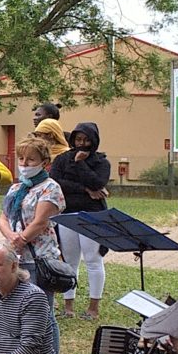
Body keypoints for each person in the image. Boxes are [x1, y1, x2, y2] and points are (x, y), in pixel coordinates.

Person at [51, 121, 111, 320]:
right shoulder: (62, 159)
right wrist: (84, 189)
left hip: (92, 215)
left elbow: (98, 182)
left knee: (93, 260)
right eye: (78, 139)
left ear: (94, 141)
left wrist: (80, 163)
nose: (82, 144)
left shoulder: (102, 162)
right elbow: (56, 182)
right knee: (69, 261)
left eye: (86, 140)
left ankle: (93, 307)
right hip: (67, 214)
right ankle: (68, 306)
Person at [0, 138, 66, 290]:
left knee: (38, 299)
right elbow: (4, 217)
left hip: (39, 256)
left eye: (31, 159)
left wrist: (21, 240)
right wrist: (10, 236)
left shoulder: (50, 187)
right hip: (14, 256)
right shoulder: (16, 188)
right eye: (21, 158)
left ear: (44, 162)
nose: (24, 163)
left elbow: (40, 222)